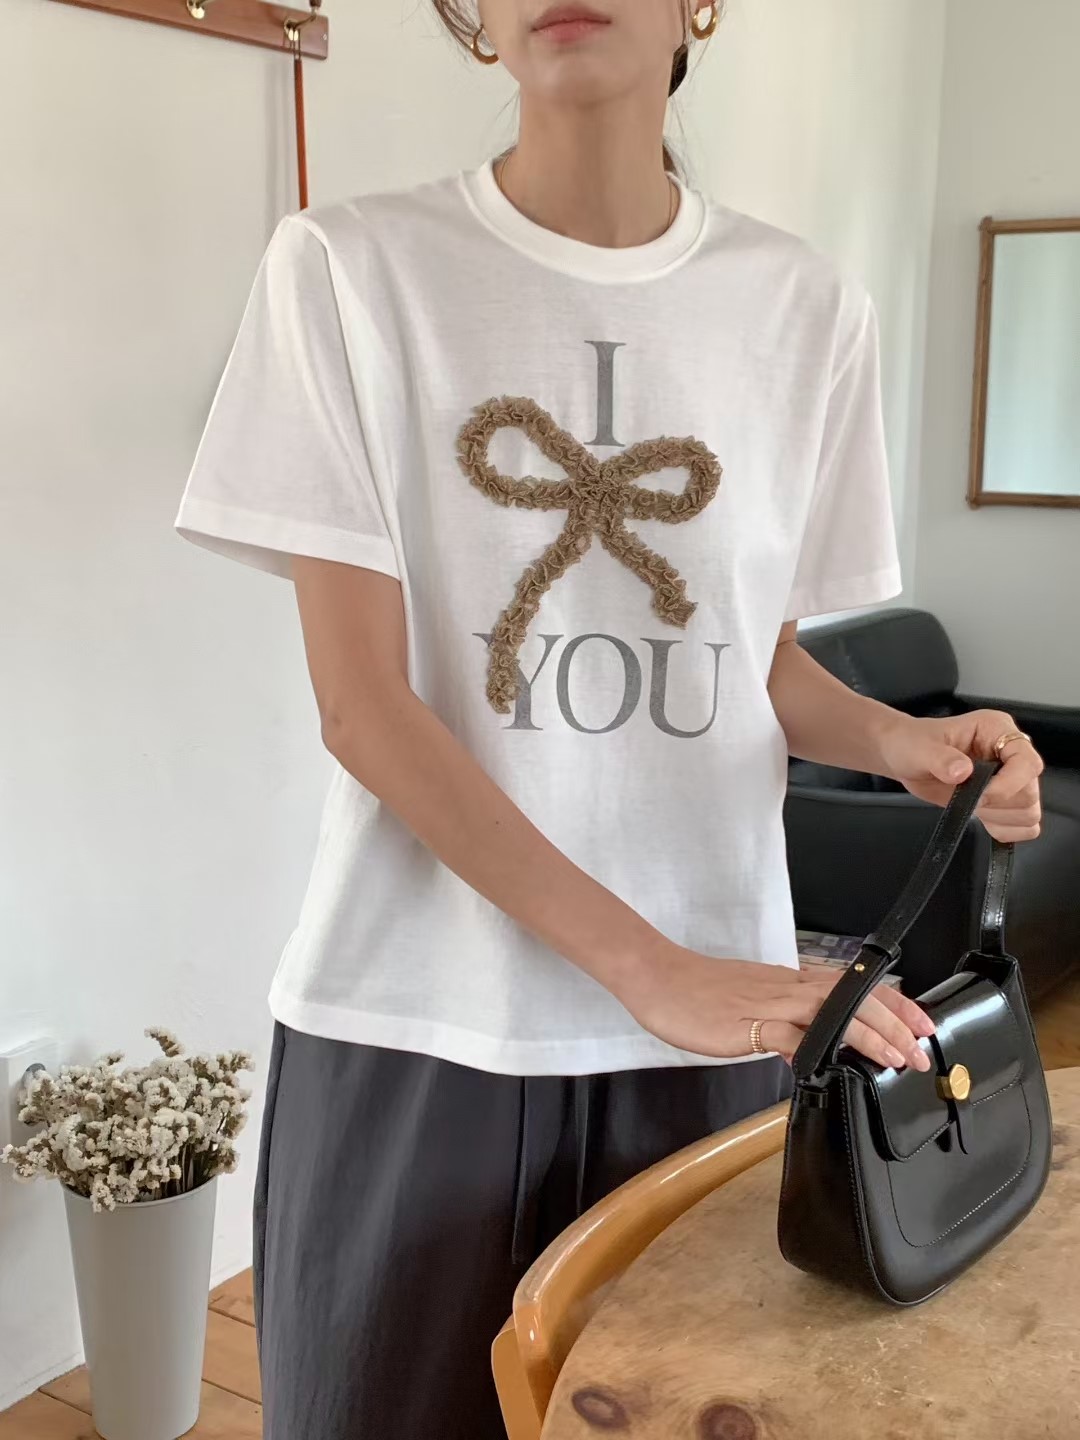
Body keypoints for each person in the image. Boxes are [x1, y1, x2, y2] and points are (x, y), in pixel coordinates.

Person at [174, 2, 1044, 1434]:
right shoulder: (347, 270)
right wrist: (650, 966)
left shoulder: (804, 307)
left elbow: (754, 665)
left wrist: (899, 743)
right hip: (424, 1017)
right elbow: (364, 706)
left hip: (712, 1035)